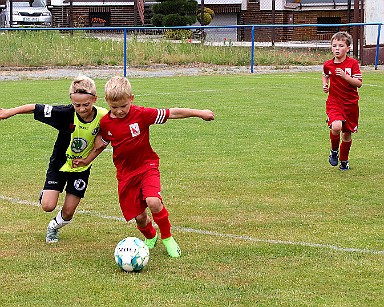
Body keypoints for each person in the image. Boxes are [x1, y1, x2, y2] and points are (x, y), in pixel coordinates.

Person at [73, 76, 215, 258]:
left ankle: (167, 238)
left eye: (123, 106)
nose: (119, 111)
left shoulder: (142, 114)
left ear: (131, 99)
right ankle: (151, 236)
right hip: (125, 174)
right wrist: (86, 160)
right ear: (107, 101)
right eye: (114, 107)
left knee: (153, 201)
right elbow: (101, 144)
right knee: (140, 218)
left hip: (147, 166)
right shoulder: (106, 123)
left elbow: (173, 113)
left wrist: (200, 112)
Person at [0, 75, 108, 243]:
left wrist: (99, 143)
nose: (81, 109)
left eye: (86, 104)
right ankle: (46, 194)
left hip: (81, 169)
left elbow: (110, 134)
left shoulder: (104, 116)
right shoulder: (65, 114)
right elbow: (35, 107)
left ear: (94, 99)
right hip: (59, 165)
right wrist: (9, 112)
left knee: (68, 211)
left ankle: (53, 227)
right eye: (76, 105)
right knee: (47, 206)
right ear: (71, 101)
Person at [322, 31, 362, 170]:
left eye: (341, 45)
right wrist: (325, 84)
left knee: (346, 134)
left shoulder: (353, 64)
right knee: (336, 127)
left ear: (348, 48)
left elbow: (359, 83)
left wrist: (345, 77)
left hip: (350, 104)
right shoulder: (328, 64)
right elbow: (325, 74)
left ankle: (344, 160)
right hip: (334, 102)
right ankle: (334, 151)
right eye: (334, 45)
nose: (337, 48)